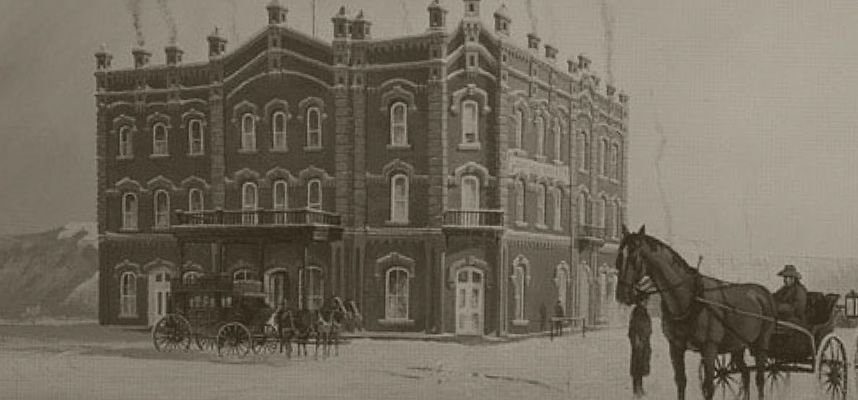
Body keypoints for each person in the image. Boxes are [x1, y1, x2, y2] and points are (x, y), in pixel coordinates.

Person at [629, 294, 652, 398]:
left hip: (645, 341)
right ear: (641, 301)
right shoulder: (637, 311)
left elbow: (648, 326)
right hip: (638, 343)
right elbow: (633, 328)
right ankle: (636, 389)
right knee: (637, 366)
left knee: (642, 365)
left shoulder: (644, 311)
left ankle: (640, 387)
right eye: (645, 300)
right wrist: (636, 340)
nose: (647, 302)